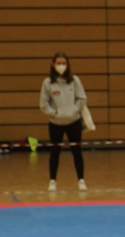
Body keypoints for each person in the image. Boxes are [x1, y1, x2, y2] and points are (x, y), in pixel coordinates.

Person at [38, 51, 88, 193]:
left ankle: (81, 180)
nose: (61, 66)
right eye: (59, 63)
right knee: (55, 152)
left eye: (64, 63)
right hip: (56, 123)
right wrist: (53, 113)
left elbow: (82, 98)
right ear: (53, 64)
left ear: (68, 65)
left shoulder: (74, 80)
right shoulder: (48, 83)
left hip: (74, 121)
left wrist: (74, 110)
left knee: (77, 151)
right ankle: (52, 181)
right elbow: (43, 104)